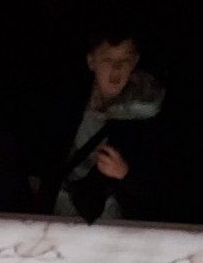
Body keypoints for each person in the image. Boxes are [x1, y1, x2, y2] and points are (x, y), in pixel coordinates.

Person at [24, 19, 167, 223]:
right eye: (107, 60)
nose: (116, 69)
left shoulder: (149, 112)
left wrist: (125, 173)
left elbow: (160, 185)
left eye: (124, 60)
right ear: (91, 62)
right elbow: (39, 153)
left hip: (111, 219)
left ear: (135, 62)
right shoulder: (66, 100)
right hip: (58, 211)